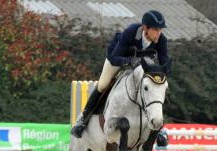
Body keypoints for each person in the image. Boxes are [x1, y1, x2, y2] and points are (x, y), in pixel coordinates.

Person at [71, 10, 171, 139]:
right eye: (156, 29)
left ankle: (157, 127)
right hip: (119, 60)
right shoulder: (131, 32)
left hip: (140, 65)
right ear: (146, 28)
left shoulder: (161, 40)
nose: (159, 33)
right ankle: (82, 120)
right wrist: (129, 61)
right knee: (102, 85)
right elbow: (114, 58)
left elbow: (164, 65)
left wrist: (162, 73)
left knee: (154, 89)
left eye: (160, 30)